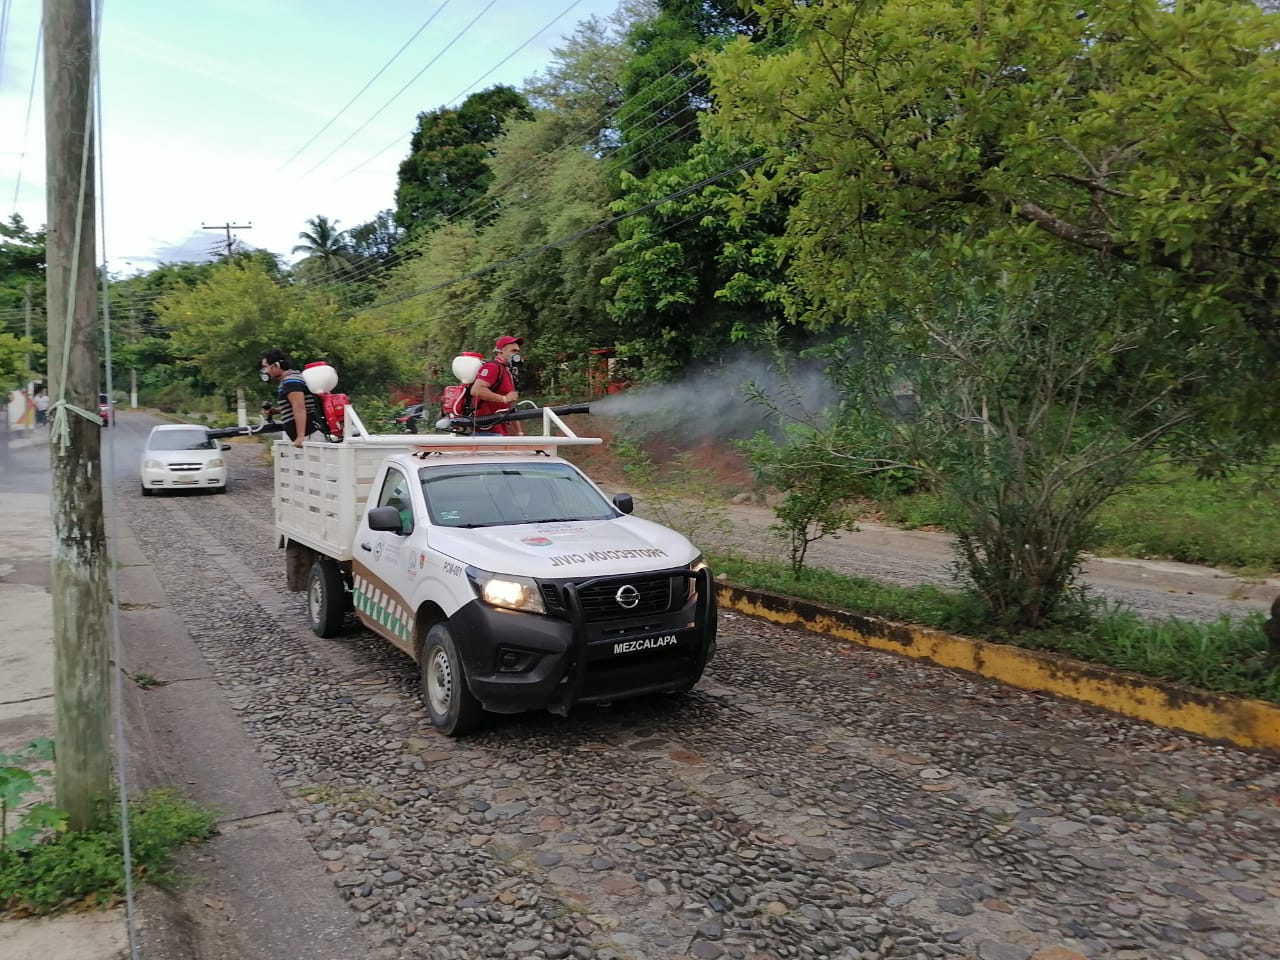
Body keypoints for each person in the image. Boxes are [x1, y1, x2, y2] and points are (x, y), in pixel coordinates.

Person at [259, 349, 321, 447]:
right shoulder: (289, 380)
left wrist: (300, 436)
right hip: (307, 435)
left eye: (265, 367)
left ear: (276, 366)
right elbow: (296, 404)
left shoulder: (291, 381)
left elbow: (299, 408)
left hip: (309, 435)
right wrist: (276, 410)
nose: (265, 371)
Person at [469, 335, 524, 436]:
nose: (517, 355)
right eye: (513, 351)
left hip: (500, 432)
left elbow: (511, 406)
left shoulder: (508, 371)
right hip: (486, 432)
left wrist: (520, 433)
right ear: (501, 351)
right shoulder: (492, 367)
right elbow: (476, 390)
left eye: (518, 352)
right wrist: (503, 398)